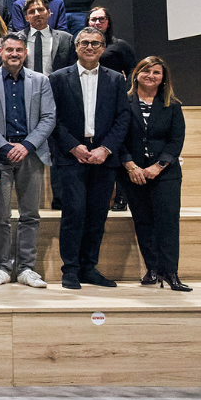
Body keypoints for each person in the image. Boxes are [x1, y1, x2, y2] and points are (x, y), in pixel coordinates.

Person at [49, 27, 130, 289]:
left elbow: (123, 118)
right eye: (84, 43)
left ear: (103, 48)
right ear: (76, 47)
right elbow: (53, 118)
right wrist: (74, 147)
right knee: (73, 214)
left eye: (95, 43)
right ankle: (70, 269)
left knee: (97, 215)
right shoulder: (58, 78)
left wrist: (105, 149)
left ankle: (88, 267)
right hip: (71, 156)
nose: (90, 47)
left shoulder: (116, 79)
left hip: (104, 156)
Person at [0, 33, 56, 289]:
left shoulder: (41, 80)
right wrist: (4, 145)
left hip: (30, 154)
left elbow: (48, 117)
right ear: (0, 51)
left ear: (25, 52)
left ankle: (26, 269)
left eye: (19, 50)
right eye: (9, 49)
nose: (14, 54)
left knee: (30, 215)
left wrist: (27, 145)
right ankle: (2, 267)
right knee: (0, 215)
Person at [120, 57, 190, 292]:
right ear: (137, 74)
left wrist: (158, 166)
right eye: (146, 71)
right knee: (143, 221)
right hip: (133, 173)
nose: (151, 75)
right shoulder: (123, 102)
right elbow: (118, 136)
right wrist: (131, 166)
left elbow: (176, 140)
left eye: (156, 72)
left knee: (168, 223)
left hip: (165, 174)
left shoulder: (172, 105)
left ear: (163, 78)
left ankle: (170, 272)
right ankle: (152, 269)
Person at [19, 0, 73, 76]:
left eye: (40, 10)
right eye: (32, 12)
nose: (37, 14)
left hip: (55, 82)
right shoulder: (16, 38)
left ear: (49, 13)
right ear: (26, 18)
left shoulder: (66, 39)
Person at [89, 7, 137, 77]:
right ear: (88, 23)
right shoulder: (80, 45)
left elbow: (132, 70)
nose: (97, 22)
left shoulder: (119, 45)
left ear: (108, 23)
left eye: (102, 19)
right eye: (93, 19)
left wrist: (126, 84)